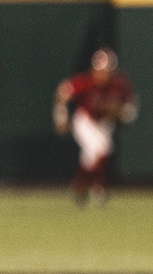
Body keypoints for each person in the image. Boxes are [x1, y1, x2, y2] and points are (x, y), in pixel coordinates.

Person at [54, 47, 138, 206]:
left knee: (92, 156)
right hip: (85, 120)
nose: (103, 74)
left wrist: (120, 113)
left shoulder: (120, 84)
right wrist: (60, 116)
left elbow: (130, 108)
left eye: (107, 70)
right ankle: (99, 189)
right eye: (100, 70)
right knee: (101, 149)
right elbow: (62, 92)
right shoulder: (87, 81)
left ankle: (80, 187)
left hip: (104, 123)